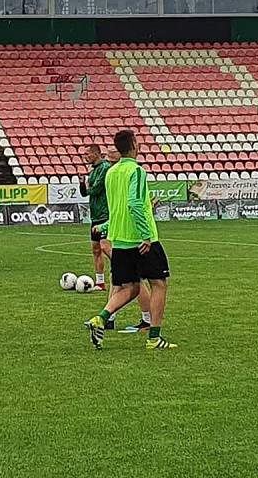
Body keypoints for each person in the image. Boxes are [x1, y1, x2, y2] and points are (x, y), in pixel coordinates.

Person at [84, 129, 176, 351]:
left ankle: (101, 318)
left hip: (121, 239)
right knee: (159, 284)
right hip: (140, 239)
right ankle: (154, 338)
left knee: (131, 287)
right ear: (134, 145)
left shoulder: (111, 173)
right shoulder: (136, 171)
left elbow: (115, 208)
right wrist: (146, 235)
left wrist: (106, 227)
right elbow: (133, 204)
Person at [84, 144, 110, 292]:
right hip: (95, 214)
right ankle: (100, 282)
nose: (85, 157)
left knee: (105, 247)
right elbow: (86, 192)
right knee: (95, 249)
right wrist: (84, 184)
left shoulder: (105, 168)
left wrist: (88, 187)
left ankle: (124, 271)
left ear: (96, 153)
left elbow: (96, 189)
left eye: (87, 154)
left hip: (105, 213)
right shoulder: (93, 170)